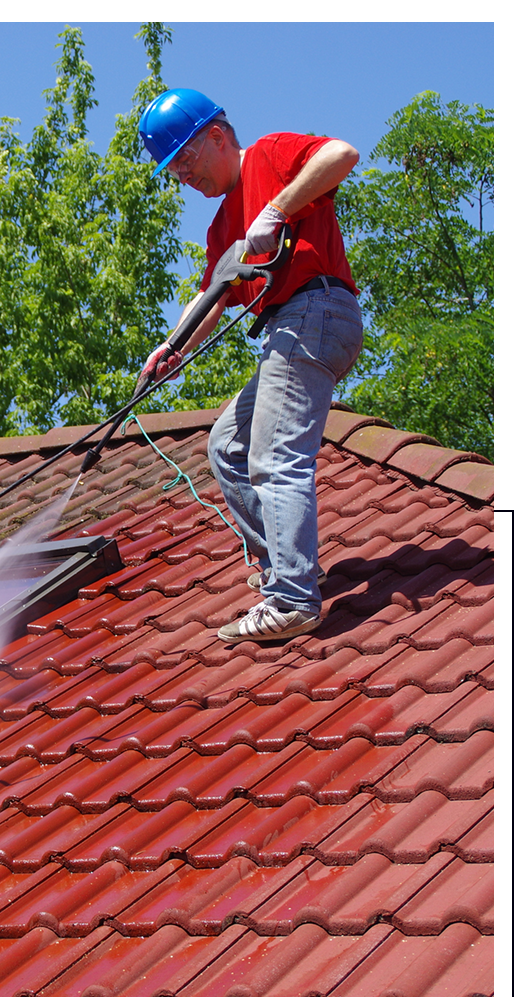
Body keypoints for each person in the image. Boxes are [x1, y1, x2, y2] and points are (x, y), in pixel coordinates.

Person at [138, 89, 363, 643]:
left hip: (316, 309)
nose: (182, 176)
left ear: (216, 136)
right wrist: (173, 347)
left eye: (185, 159)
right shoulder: (222, 228)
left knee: (272, 455)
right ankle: (287, 569)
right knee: (227, 448)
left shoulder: (268, 154)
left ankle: (292, 598)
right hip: (292, 326)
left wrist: (278, 208)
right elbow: (215, 295)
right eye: (173, 170)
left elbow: (343, 153)